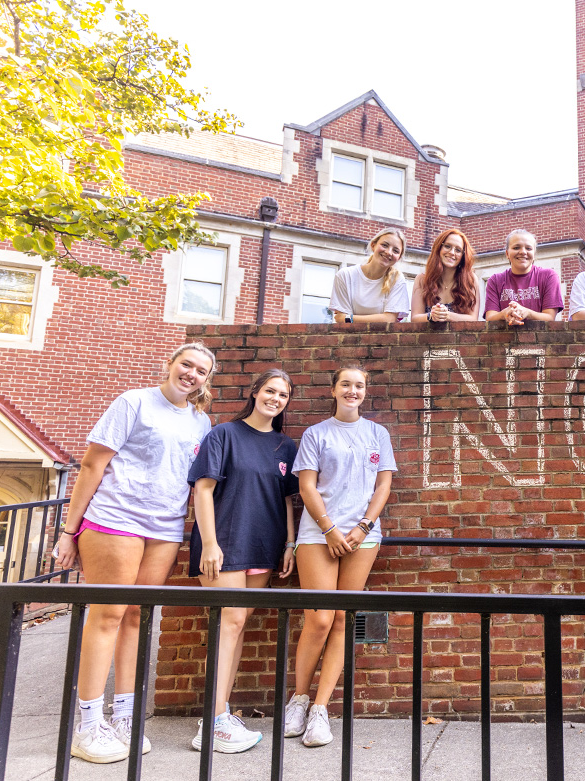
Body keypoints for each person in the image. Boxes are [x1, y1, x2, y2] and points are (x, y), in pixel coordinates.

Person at [52, 343, 215, 763]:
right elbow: (92, 465)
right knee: (108, 613)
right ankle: (87, 725)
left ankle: (124, 716)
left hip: (164, 528)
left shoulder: (201, 421)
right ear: (170, 364)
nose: (192, 374)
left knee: (137, 617)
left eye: (201, 370)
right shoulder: (133, 402)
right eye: (187, 365)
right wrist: (69, 531)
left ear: (206, 380)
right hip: (115, 519)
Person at [282, 366, 397, 748]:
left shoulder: (377, 433)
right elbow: (306, 486)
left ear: (366, 392)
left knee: (344, 619)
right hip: (319, 534)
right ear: (334, 389)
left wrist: (363, 525)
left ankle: (320, 709)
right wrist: (330, 529)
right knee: (319, 619)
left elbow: (383, 484)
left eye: (359, 385)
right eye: (346, 384)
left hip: (363, 536)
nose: (352, 390)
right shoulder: (316, 434)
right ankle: (298, 700)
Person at [187, 369, 300, 754]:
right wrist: (209, 544)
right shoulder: (223, 435)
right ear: (255, 392)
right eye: (270, 390)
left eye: (283, 394)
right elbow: (203, 489)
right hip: (226, 544)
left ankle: (221, 712)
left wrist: (289, 543)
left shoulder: (286, 446)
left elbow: (287, 499)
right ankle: (212, 721)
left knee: (237, 626)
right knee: (229, 623)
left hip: (264, 545)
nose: (276, 398)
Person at [329, 228, 410, 323]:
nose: (389, 252)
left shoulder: (397, 280)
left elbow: (389, 319)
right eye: (384, 245)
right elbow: (342, 322)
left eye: (396, 251)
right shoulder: (345, 276)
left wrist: (350, 318)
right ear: (373, 245)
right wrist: (381, 319)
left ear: (399, 258)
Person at [483, 229, 563, 325]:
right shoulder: (495, 281)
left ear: (534, 253)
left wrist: (527, 313)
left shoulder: (549, 276)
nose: (523, 252)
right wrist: (505, 314)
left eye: (528, 248)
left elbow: (550, 317)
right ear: (507, 253)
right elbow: (490, 318)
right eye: (516, 248)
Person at [410, 228, 483, 323]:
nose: (452, 252)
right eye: (447, 246)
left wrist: (447, 315)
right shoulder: (422, 279)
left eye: (458, 250)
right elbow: (415, 318)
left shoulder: (470, 279)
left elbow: (473, 319)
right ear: (439, 248)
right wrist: (431, 316)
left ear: (463, 255)